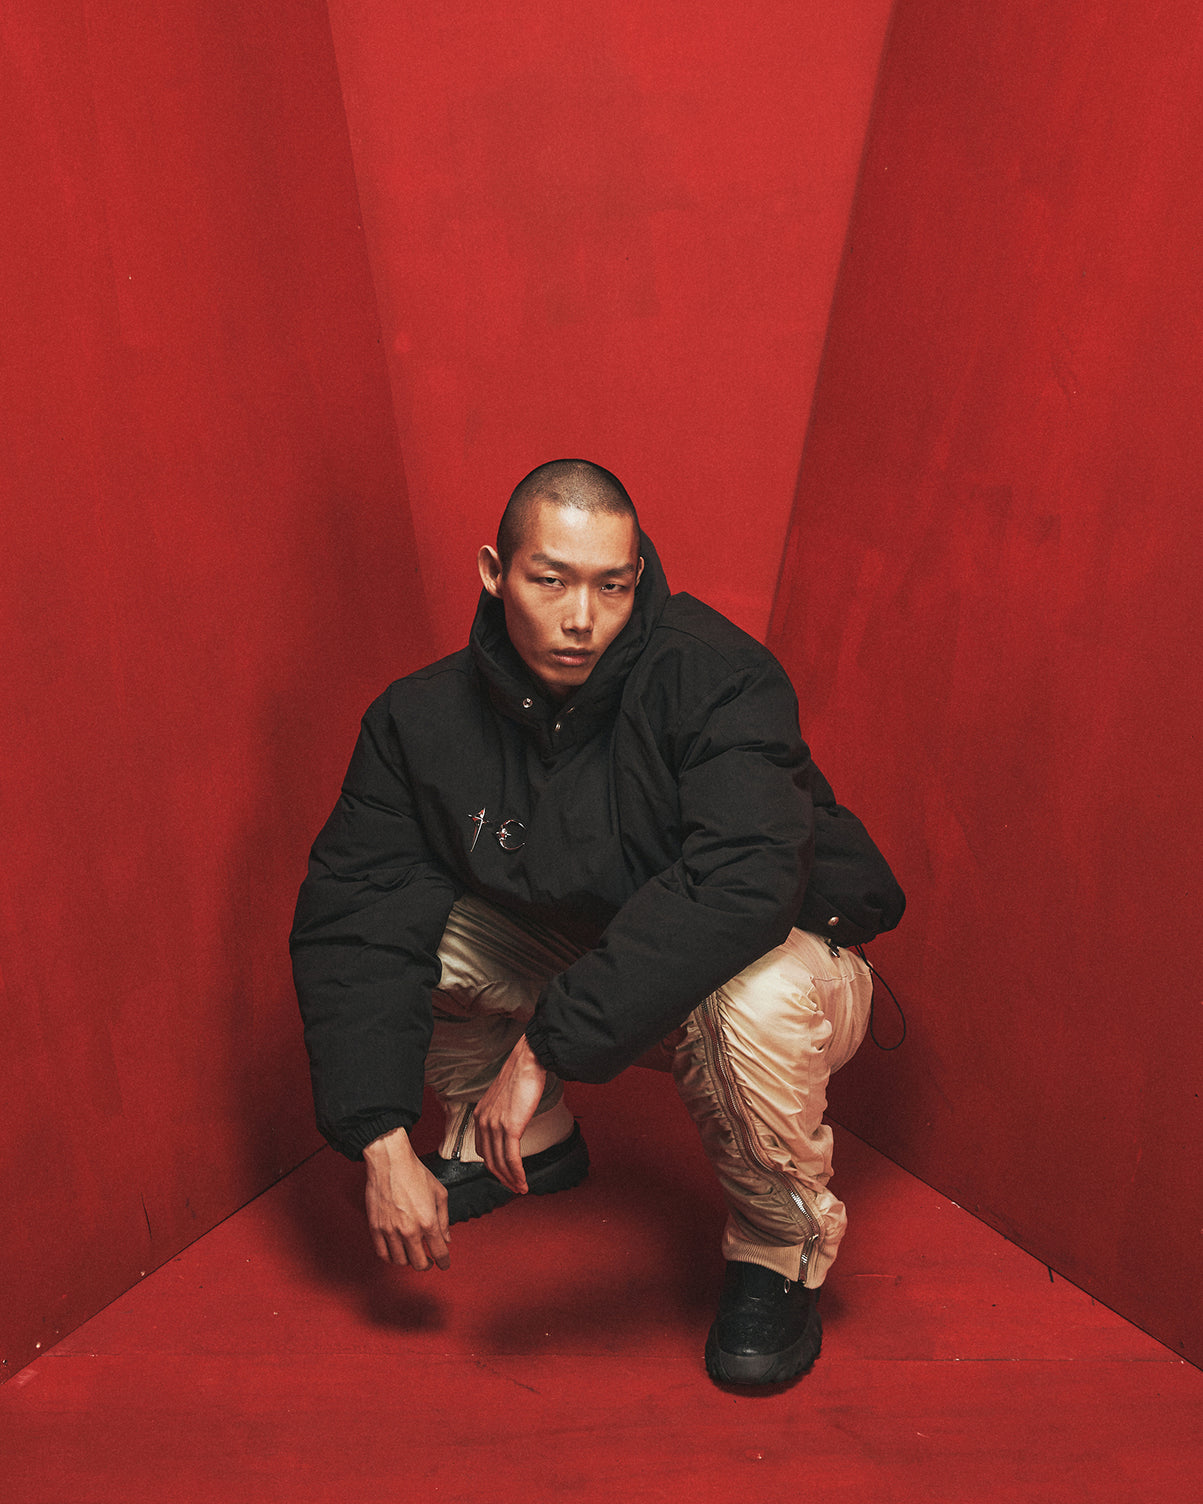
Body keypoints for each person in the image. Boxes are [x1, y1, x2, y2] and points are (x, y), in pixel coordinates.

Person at [290, 459, 902, 1387]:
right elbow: (356, 916)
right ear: (494, 573)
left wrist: (545, 1047)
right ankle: (524, 1141)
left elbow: (740, 886)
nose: (582, 618)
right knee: (418, 923)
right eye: (551, 581)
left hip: (784, 964)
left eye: (611, 587)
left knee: (755, 994)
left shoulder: (718, 676)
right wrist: (378, 1140)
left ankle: (779, 1245)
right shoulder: (417, 721)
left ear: (638, 577)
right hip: (593, 953)